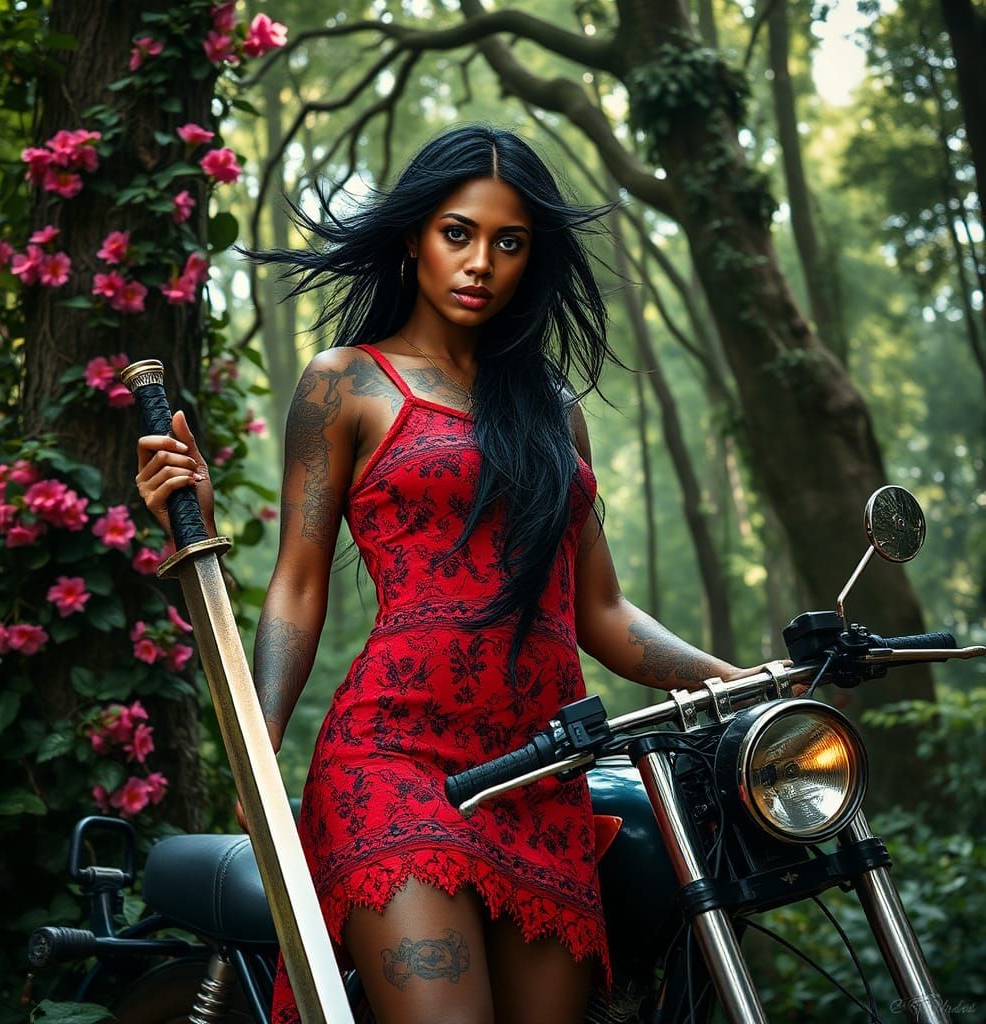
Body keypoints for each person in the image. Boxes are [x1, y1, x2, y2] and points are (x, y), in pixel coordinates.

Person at [136, 124, 753, 1024]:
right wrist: (258, 742)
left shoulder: (555, 414)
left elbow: (604, 613)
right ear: (416, 236)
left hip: (543, 775)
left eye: (509, 243)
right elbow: (298, 585)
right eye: (458, 233)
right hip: (392, 762)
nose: (481, 263)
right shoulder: (345, 383)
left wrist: (731, 682)